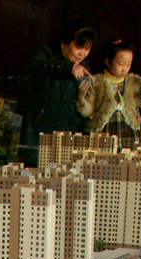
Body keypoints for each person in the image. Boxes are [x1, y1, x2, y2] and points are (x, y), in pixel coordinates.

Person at [18, 20, 97, 165]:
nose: (82, 53)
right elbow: (36, 67)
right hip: (39, 136)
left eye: (87, 49)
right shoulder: (44, 53)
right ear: (64, 43)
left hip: (68, 139)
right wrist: (69, 67)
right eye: (78, 47)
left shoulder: (85, 67)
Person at [78, 40, 141, 138]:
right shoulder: (97, 82)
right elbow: (87, 111)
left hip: (129, 132)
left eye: (128, 64)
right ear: (108, 62)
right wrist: (82, 99)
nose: (125, 68)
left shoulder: (134, 82)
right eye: (120, 64)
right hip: (103, 132)